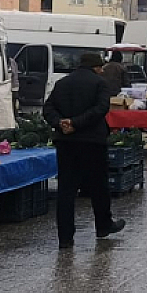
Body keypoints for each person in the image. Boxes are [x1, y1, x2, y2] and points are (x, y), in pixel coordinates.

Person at [44, 51, 126, 247]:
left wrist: (61, 123)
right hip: (92, 142)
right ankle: (103, 226)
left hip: (66, 142)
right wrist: (77, 123)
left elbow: (47, 109)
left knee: (66, 190)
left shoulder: (62, 83)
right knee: (98, 186)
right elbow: (100, 109)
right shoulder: (100, 84)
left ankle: (65, 237)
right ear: (97, 67)